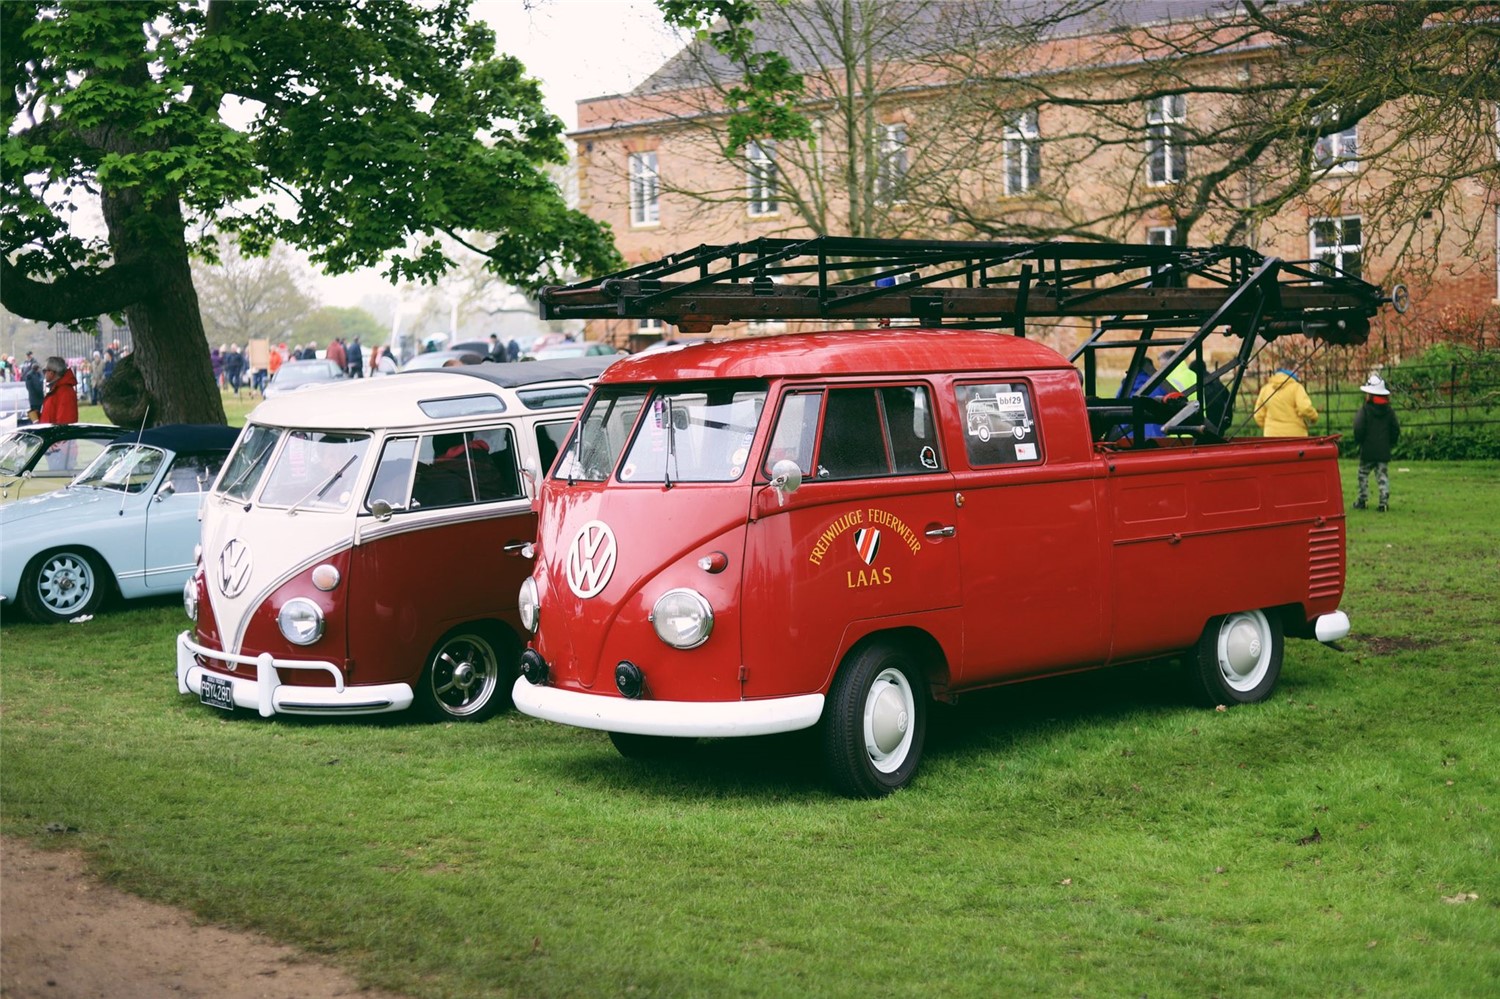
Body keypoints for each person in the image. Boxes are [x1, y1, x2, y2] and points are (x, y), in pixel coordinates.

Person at [1352, 373, 1400, 512]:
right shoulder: (1389, 411)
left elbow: (1358, 427)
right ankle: (1383, 502)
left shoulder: (1365, 410)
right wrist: (1390, 443)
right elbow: (1395, 429)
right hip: (1383, 450)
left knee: (1363, 475)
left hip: (1367, 450)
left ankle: (1362, 500)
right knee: (1382, 476)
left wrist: (1359, 441)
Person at [1253, 366, 1318, 437]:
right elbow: (1304, 408)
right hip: (1295, 434)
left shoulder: (1265, 389)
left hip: (1271, 435)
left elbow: (1258, 415)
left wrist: (1269, 427)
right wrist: (1314, 417)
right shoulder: (1296, 388)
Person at [1188, 358, 1232, 433]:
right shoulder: (1217, 382)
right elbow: (1229, 400)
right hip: (1222, 422)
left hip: (1206, 423)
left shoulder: (1196, 384)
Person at [40, 356, 79, 425]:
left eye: (45, 371)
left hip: (55, 434)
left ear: (52, 372)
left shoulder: (65, 392)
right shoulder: (56, 390)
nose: (44, 374)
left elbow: (64, 423)